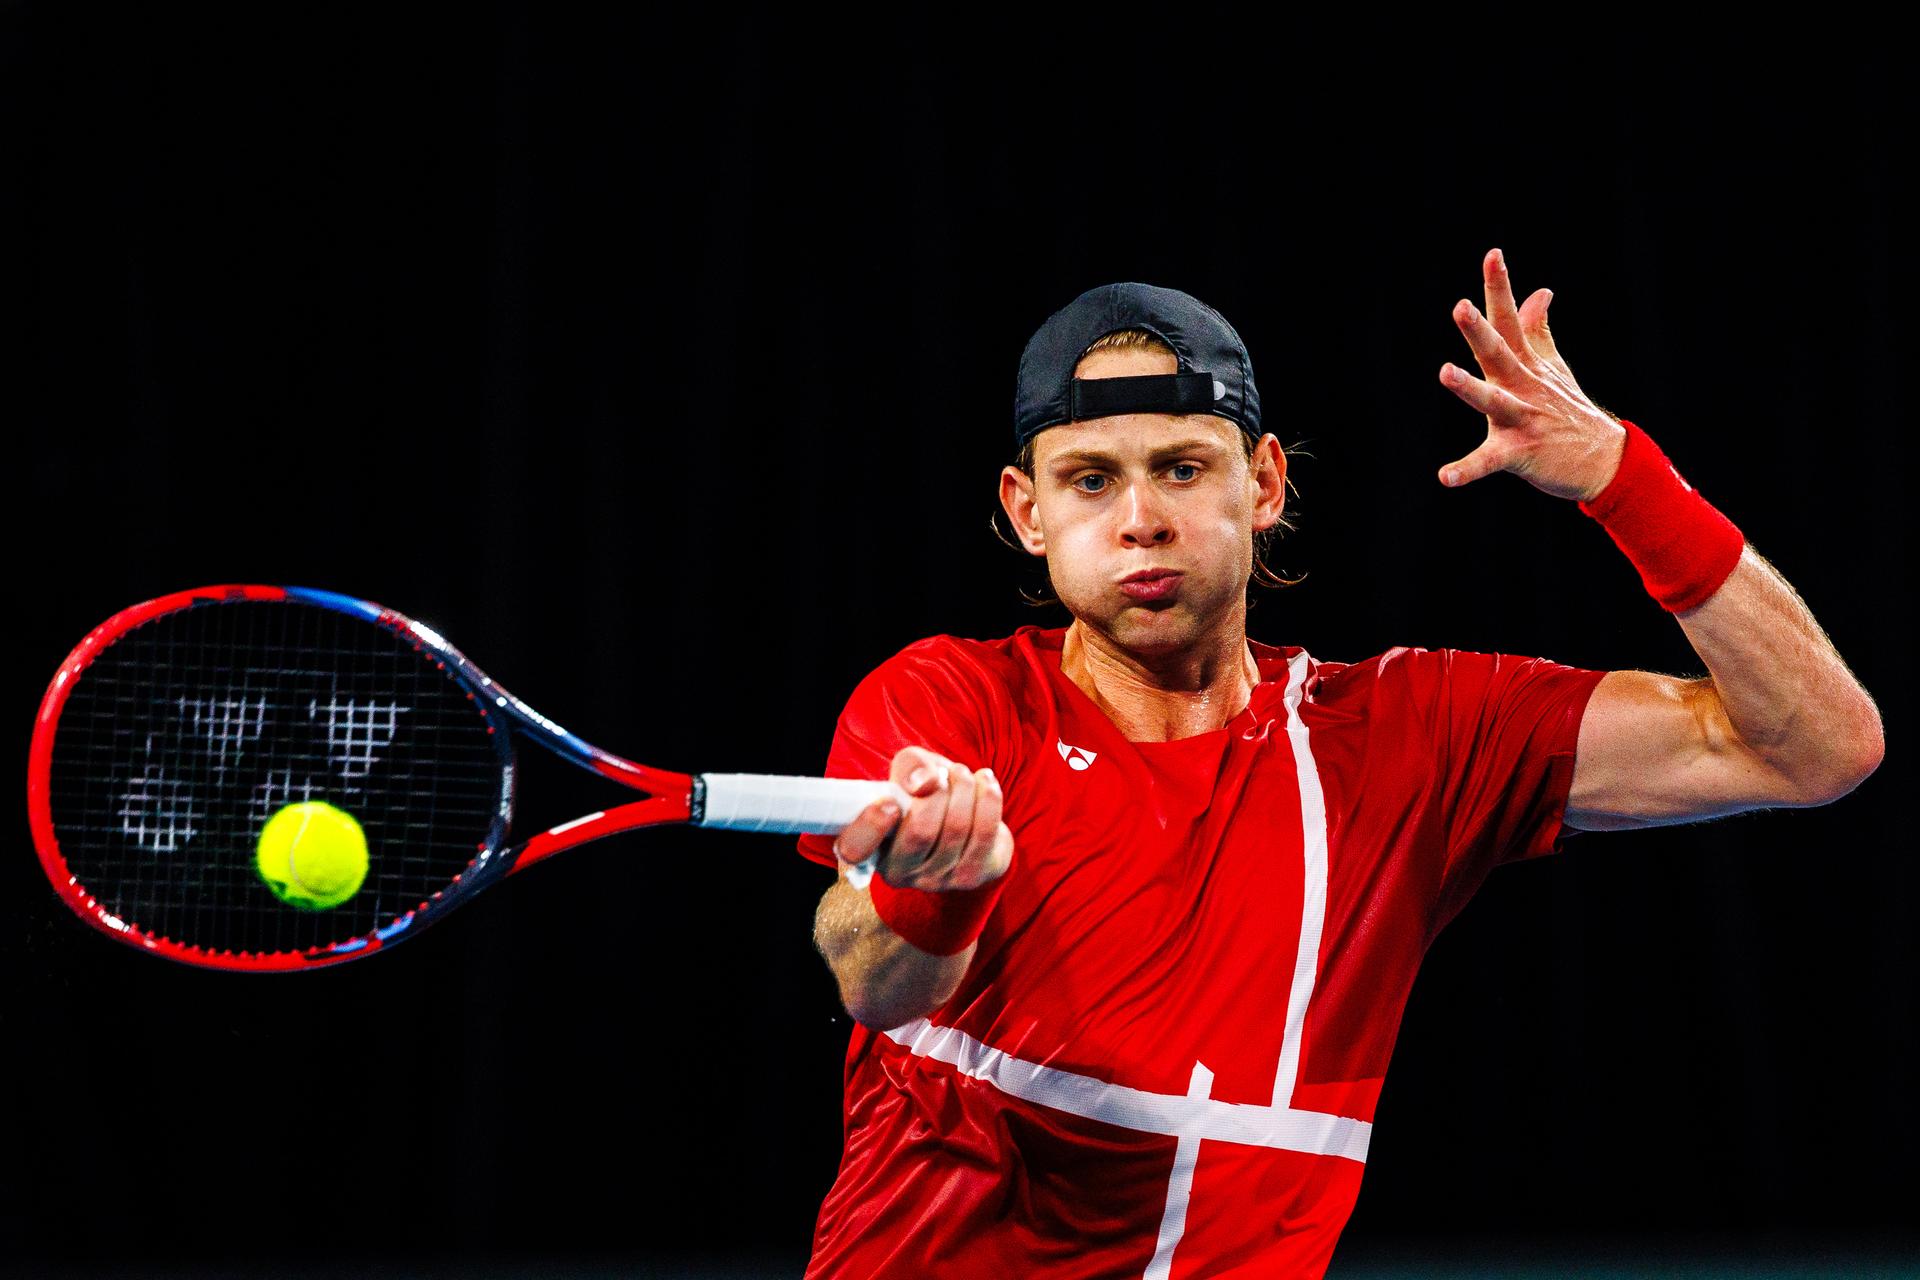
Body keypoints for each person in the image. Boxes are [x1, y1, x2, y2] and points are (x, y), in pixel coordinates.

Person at [794, 251, 1884, 1279]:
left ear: (1264, 483)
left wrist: (1622, 477)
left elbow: (1817, 744)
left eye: (1182, 468)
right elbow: (866, 969)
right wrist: (937, 894)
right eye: (1089, 481)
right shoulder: (947, 701)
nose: (1140, 521)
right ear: (1027, 512)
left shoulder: (1412, 735)